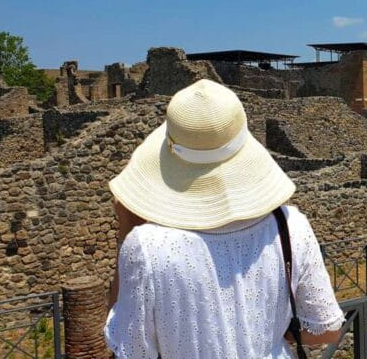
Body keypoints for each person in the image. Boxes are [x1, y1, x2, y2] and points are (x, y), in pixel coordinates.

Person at [104, 79, 344, 358]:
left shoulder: (145, 247)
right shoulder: (291, 226)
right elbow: (327, 331)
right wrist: (269, 332)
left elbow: (128, 347)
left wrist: (126, 232)